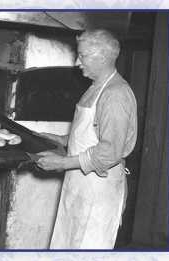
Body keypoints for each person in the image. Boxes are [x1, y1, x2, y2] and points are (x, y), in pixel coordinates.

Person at [36, 29, 138, 249]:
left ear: (101, 57)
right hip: (79, 185)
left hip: (98, 189)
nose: (76, 62)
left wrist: (63, 163)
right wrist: (58, 139)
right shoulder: (95, 88)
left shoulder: (115, 95)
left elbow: (110, 151)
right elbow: (90, 135)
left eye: (82, 56)